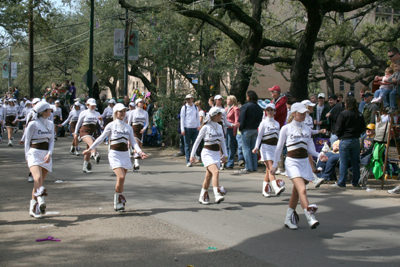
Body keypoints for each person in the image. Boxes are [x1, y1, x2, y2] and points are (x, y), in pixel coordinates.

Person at [271, 103, 328, 230]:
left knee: (296, 193)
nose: (304, 115)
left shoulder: (307, 129)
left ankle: (288, 219)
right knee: (302, 189)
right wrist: (274, 166)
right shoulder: (286, 128)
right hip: (292, 163)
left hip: (304, 163)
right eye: (301, 113)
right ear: (293, 113)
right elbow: (279, 148)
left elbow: (310, 149)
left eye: (305, 113)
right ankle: (310, 217)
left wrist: (319, 155)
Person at [83, 103, 148, 211]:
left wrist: (140, 152)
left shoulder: (128, 127)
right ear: (115, 113)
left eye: (124, 111)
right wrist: (90, 148)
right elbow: (100, 138)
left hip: (125, 154)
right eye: (120, 111)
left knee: (121, 180)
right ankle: (118, 200)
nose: (122, 113)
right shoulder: (111, 125)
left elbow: (133, 141)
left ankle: (118, 201)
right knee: (121, 176)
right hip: (114, 154)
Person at [190, 107, 228, 204]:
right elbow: (197, 141)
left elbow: (223, 142)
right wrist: (192, 155)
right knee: (216, 172)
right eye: (220, 114)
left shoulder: (220, 127)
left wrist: (226, 155)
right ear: (216, 115)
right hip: (207, 153)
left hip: (216, 154)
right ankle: (217, 194)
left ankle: (202, 196)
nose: (222, 116)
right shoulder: (206, 127)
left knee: (208, 176)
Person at [24, 102, 54, 218]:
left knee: (39, 183)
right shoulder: (33, 124)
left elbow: (51, 141)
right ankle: (41, 200)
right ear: (43, 111)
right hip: (34, 153)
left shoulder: (50, 124)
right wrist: (27, 156)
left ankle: (33, 208)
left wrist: (49, 153)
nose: (51, 111)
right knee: (37, 178)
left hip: (45, 155)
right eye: (49, 109)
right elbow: (27, 141)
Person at [252, 103, 285, 197]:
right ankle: (276, 187)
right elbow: (259, 136)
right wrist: (256, 147)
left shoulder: (277, 123)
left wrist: (281, 145)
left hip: (274, 148)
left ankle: (264, 190)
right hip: (265, 147)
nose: (269, 112)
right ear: (265, 112)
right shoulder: (263, 123)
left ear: (275, 111)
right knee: (271, 168)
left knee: (268, 170)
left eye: (271, 110)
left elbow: (278, 136)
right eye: (268, 110)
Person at [333, 96, 366, 188]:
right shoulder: (359, 114)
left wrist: (340, 136)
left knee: (343, 162)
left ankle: (342, 182)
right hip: (356, 140)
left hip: (345, 139)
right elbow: (363, 128)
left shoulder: (343, 114)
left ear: (347, 103)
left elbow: (338, 128)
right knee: (355, 162)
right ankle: (355, 181)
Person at [75, 98, 103, 173]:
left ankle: (85, 166)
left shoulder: (97, 113)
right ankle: (95, 154)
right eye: (91, 105)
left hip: (93, 131)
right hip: (84, 130)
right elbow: (78, 123)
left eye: (94, 105)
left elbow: (100, 125)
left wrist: (101, 121)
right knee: (92, 144)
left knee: (88, 148)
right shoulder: (84, 112)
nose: (93, 107)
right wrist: (75, 133)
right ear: (87, 105)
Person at [239, 91, 263, 172]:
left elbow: (242, 118)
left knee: (246, 148)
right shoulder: (259, 108)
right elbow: (260, 118)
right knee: (254, 148)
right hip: (255, 129)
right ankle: (254, 166)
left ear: (248, 97)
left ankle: (249, 166)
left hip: (246, 128)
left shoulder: (245, 106)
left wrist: (241, 127)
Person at [127, 98, 149, 171]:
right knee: (136, 146)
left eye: (142, 102)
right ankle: (137, 163)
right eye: (140, 102)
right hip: (134, 129)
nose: (142, 103)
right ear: (137, 103)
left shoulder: (145, 112)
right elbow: (129, 123)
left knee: (139, 147)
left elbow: (147, 122)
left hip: (141, 130)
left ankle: (135, 164)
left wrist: (144, 129)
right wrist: (128, 131)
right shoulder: (132, 112)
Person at [180, 94, 200, 167]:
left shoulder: (195, 107)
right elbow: (182, 119)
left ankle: (193, 158)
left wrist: (198, 126)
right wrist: (182, 129)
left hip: (194, 128)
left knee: (195, 144)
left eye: (189, 99)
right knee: (187, 145)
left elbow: (197, 117)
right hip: (187, 128)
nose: (188, 100)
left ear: (192, 99)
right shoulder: (184, 107)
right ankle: (188, 160)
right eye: (186, 99)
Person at [225, 95, 240, 169]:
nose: (226, 101)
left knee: (231, 146)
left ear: (232, 101)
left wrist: (235, 130)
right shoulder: (226, 109)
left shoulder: (235, 109)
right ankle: (227, 160)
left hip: (231, 129)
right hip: (226, 129)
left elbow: (236, 120)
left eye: (228, 99)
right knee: (226, 145)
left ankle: (230, 163)